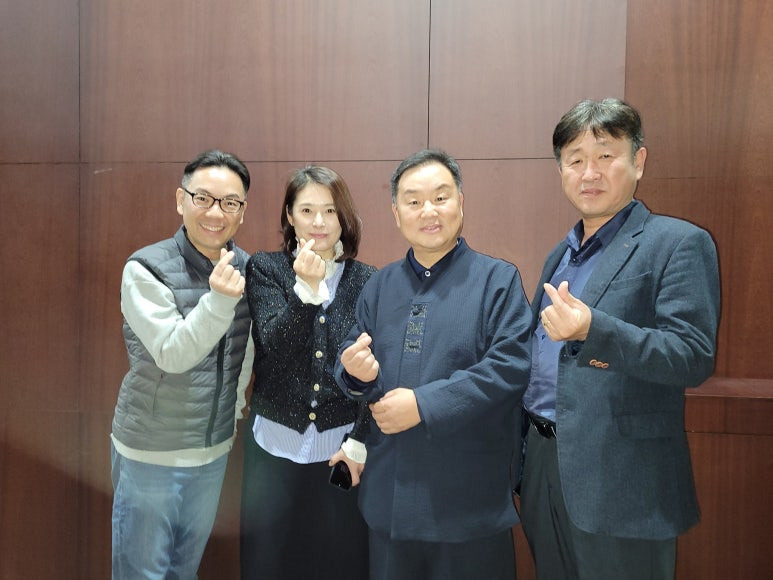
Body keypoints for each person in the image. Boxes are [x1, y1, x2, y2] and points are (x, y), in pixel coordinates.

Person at [519, 98, 720, 580]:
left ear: (639, 161)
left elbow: (692, 356)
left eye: (606, 156)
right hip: (544, 463)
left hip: (623, 480)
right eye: (575, 160)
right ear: (561, 171)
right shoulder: (559, 256)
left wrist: (594, 330)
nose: (590, 172)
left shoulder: (678, 243)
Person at [334, 149, 533, 580]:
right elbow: (351, 357)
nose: (429, 211)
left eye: (441, 198)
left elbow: (511, 367)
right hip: (388, 499)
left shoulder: (497, 280)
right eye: (414, 201)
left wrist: (423, 405)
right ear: (396, 212)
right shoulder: (379, 285)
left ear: (460, 202)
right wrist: (354, 372)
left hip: (469, 503)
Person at [110, 149, 254, 579]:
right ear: (181, 200)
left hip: (211, 452)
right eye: (203, 198)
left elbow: (245, 350)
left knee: (183, 572)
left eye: (230, 202)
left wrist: (233, 414)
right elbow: (173, 354)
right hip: (150, 454)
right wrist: (219, 301)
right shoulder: (146, 268)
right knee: (142, 573)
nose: (216, 212)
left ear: (242, 212)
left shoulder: (247, 269)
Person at [240, 166, 376, 579]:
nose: (319, 221)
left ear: (343, 218)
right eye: (306, 210)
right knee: (267, 564)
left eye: (330, 210)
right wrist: (307, 292)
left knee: (339, 564)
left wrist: (359, 441)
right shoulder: (266, 269)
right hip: (272, 449)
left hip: (339, 453)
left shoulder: (367, 281)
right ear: (289, 216)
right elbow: (275, 348)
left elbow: (375, 373)